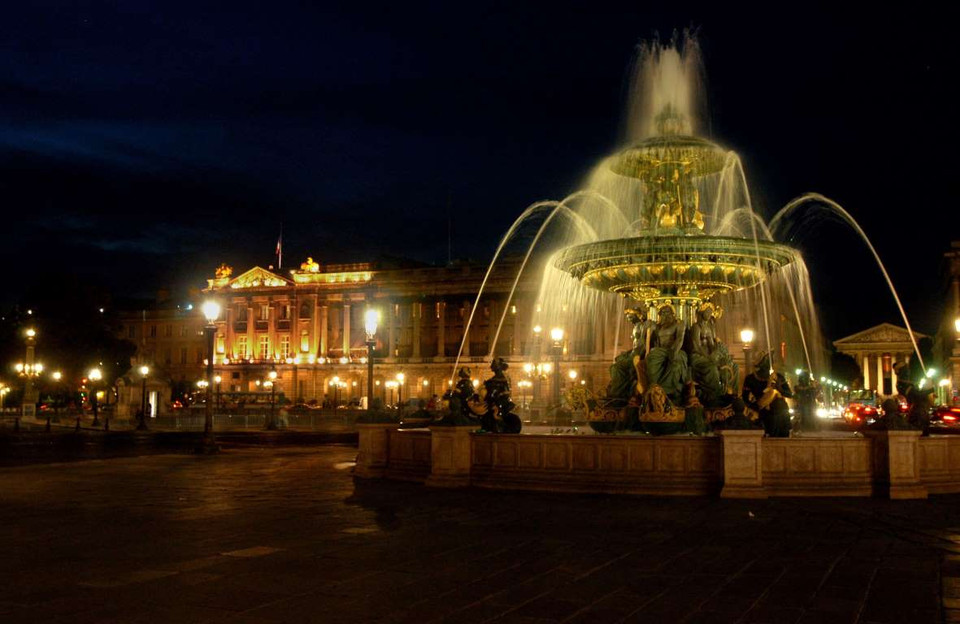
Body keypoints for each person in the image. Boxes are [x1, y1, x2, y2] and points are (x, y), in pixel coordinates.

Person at [687, 302, 737, 406]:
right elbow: (696, 346)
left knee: (732, 365)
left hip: (708, 356)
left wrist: (717, 351)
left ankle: (730, 392)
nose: (710, 313)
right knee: (712, 368)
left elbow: (711, 345)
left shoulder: (709, 328)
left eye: (711, 312)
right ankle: (713, 395)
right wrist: (709, 358)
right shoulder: (696, 327)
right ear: (701, 313)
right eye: (707, 311)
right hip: (697, 356)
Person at [645, 303, 689, 403]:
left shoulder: (679, 323)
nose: (665, 314)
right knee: (652, 356)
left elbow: (679, 339)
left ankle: (669, 392)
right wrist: (647, 327)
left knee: (675, 365)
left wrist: (673, 352)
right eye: (663, 312)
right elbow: (651, 342)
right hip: (660, 351)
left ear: (673, 314)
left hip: (675, 350)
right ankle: (654, 387)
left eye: (668, 312)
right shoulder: (658, 326)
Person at [742, 352, 793, 437]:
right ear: (760, 363)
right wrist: (754, 407)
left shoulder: (778, 377)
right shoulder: (750, 379)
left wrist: (779, 388)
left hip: (781, 414)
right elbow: (745, 398)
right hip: (763, 414)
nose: (771, 364)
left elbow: (789, 394)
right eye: (767, 362)